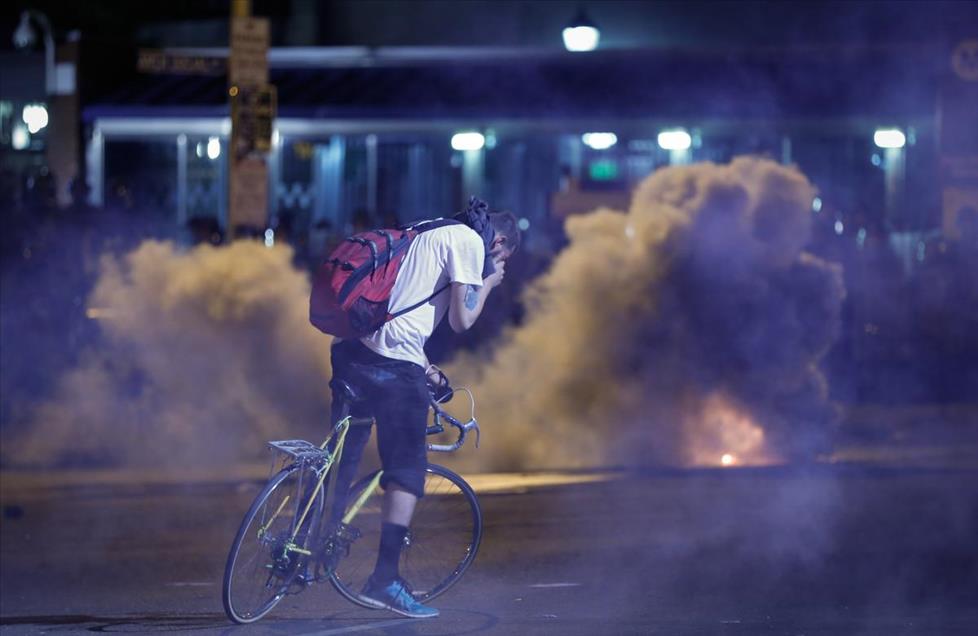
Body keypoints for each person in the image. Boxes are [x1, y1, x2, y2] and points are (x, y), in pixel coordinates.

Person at [327, 206, 521, 618]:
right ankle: (384, 580)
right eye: (501, 257)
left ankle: (308, 546)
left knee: (343, 455)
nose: (496, 262)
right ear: (500, 242)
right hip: (391, 366)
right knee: (407, 470)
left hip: (352, 349)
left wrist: (428, 370)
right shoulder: (470, 243)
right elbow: (462, 320)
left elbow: (401, 309)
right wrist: (488, 281)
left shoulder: (429, 229)